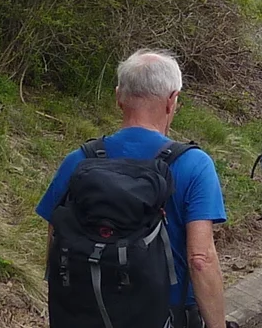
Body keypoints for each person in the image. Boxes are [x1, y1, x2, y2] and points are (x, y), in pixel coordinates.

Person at [38, 50, 228, 328]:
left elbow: (56, 243)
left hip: (89, 314)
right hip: (166, 315)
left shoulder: (79, 160)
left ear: (118, 97)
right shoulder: (193, 164)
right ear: (172, 100)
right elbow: (200, 259)